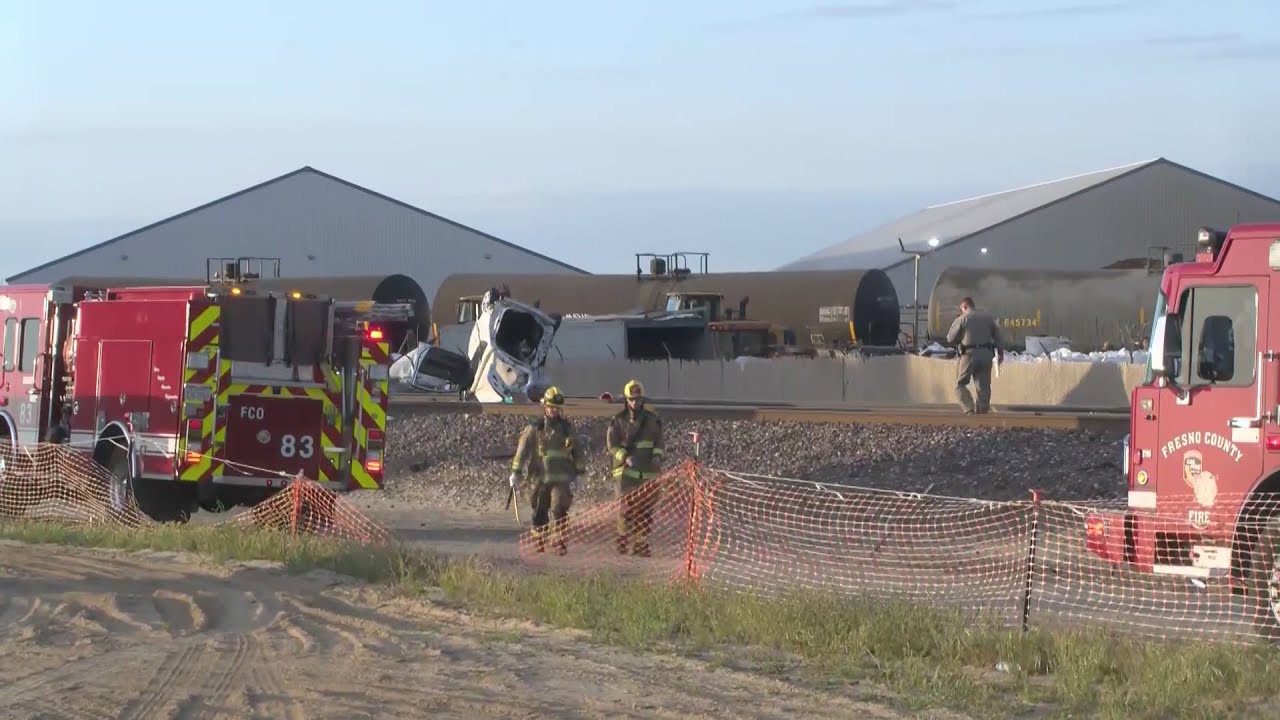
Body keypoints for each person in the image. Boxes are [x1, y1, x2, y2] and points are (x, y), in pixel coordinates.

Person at [509, 385, 583, 555]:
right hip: (540, 478)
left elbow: (577, 451)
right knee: (540, 510)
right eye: (551, 407)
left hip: (561, 478)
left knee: (559, 509)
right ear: (545, 406)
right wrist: (516, 472)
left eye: (557, 408)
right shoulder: (535, 428)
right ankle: (539, 540)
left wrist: (580, 473)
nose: (554, 411)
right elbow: (522, 451)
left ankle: (559, 543)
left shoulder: (567, 429)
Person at [606, 379, 664, 556]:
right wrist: (624, 457)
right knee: (626, 510)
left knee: (645, 511)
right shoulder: (617, 421)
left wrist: (657, 456)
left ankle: (641, 545)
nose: (635, 403)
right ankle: (622, 539)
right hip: (625, 474)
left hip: (648, 473)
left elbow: (659, 442)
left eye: (638, 400)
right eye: (631, 399)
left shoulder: (653, 421)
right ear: (626, 400)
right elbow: (612, 445)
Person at [945, 296, 1005, 414]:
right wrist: (1001, 353)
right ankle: (982, 413)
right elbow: (998, 337)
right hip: (986, 355)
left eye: (961, 309)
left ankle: (969, 409)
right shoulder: (988, 318)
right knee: (983, 387)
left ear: (964, 307)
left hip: (969, 355)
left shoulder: (963, 319)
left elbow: (950, 338)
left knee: (960, 384)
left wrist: (959, 340)